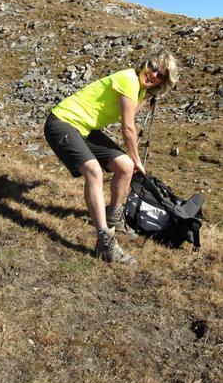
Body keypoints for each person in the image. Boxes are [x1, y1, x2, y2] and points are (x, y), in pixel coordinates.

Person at [44, 50, 179, 264]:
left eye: (161, 75)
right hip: (62, 122)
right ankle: (104, 242)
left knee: (124, 167)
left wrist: (149, 96)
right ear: (145, 63)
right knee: (94, 171)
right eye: (153, 66)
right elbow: (127, 128)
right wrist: (137, 159)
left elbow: (130, 116)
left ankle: (114, 219)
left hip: (85, 129)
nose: (153, 73)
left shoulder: (140, 91)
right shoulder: (129, 79)